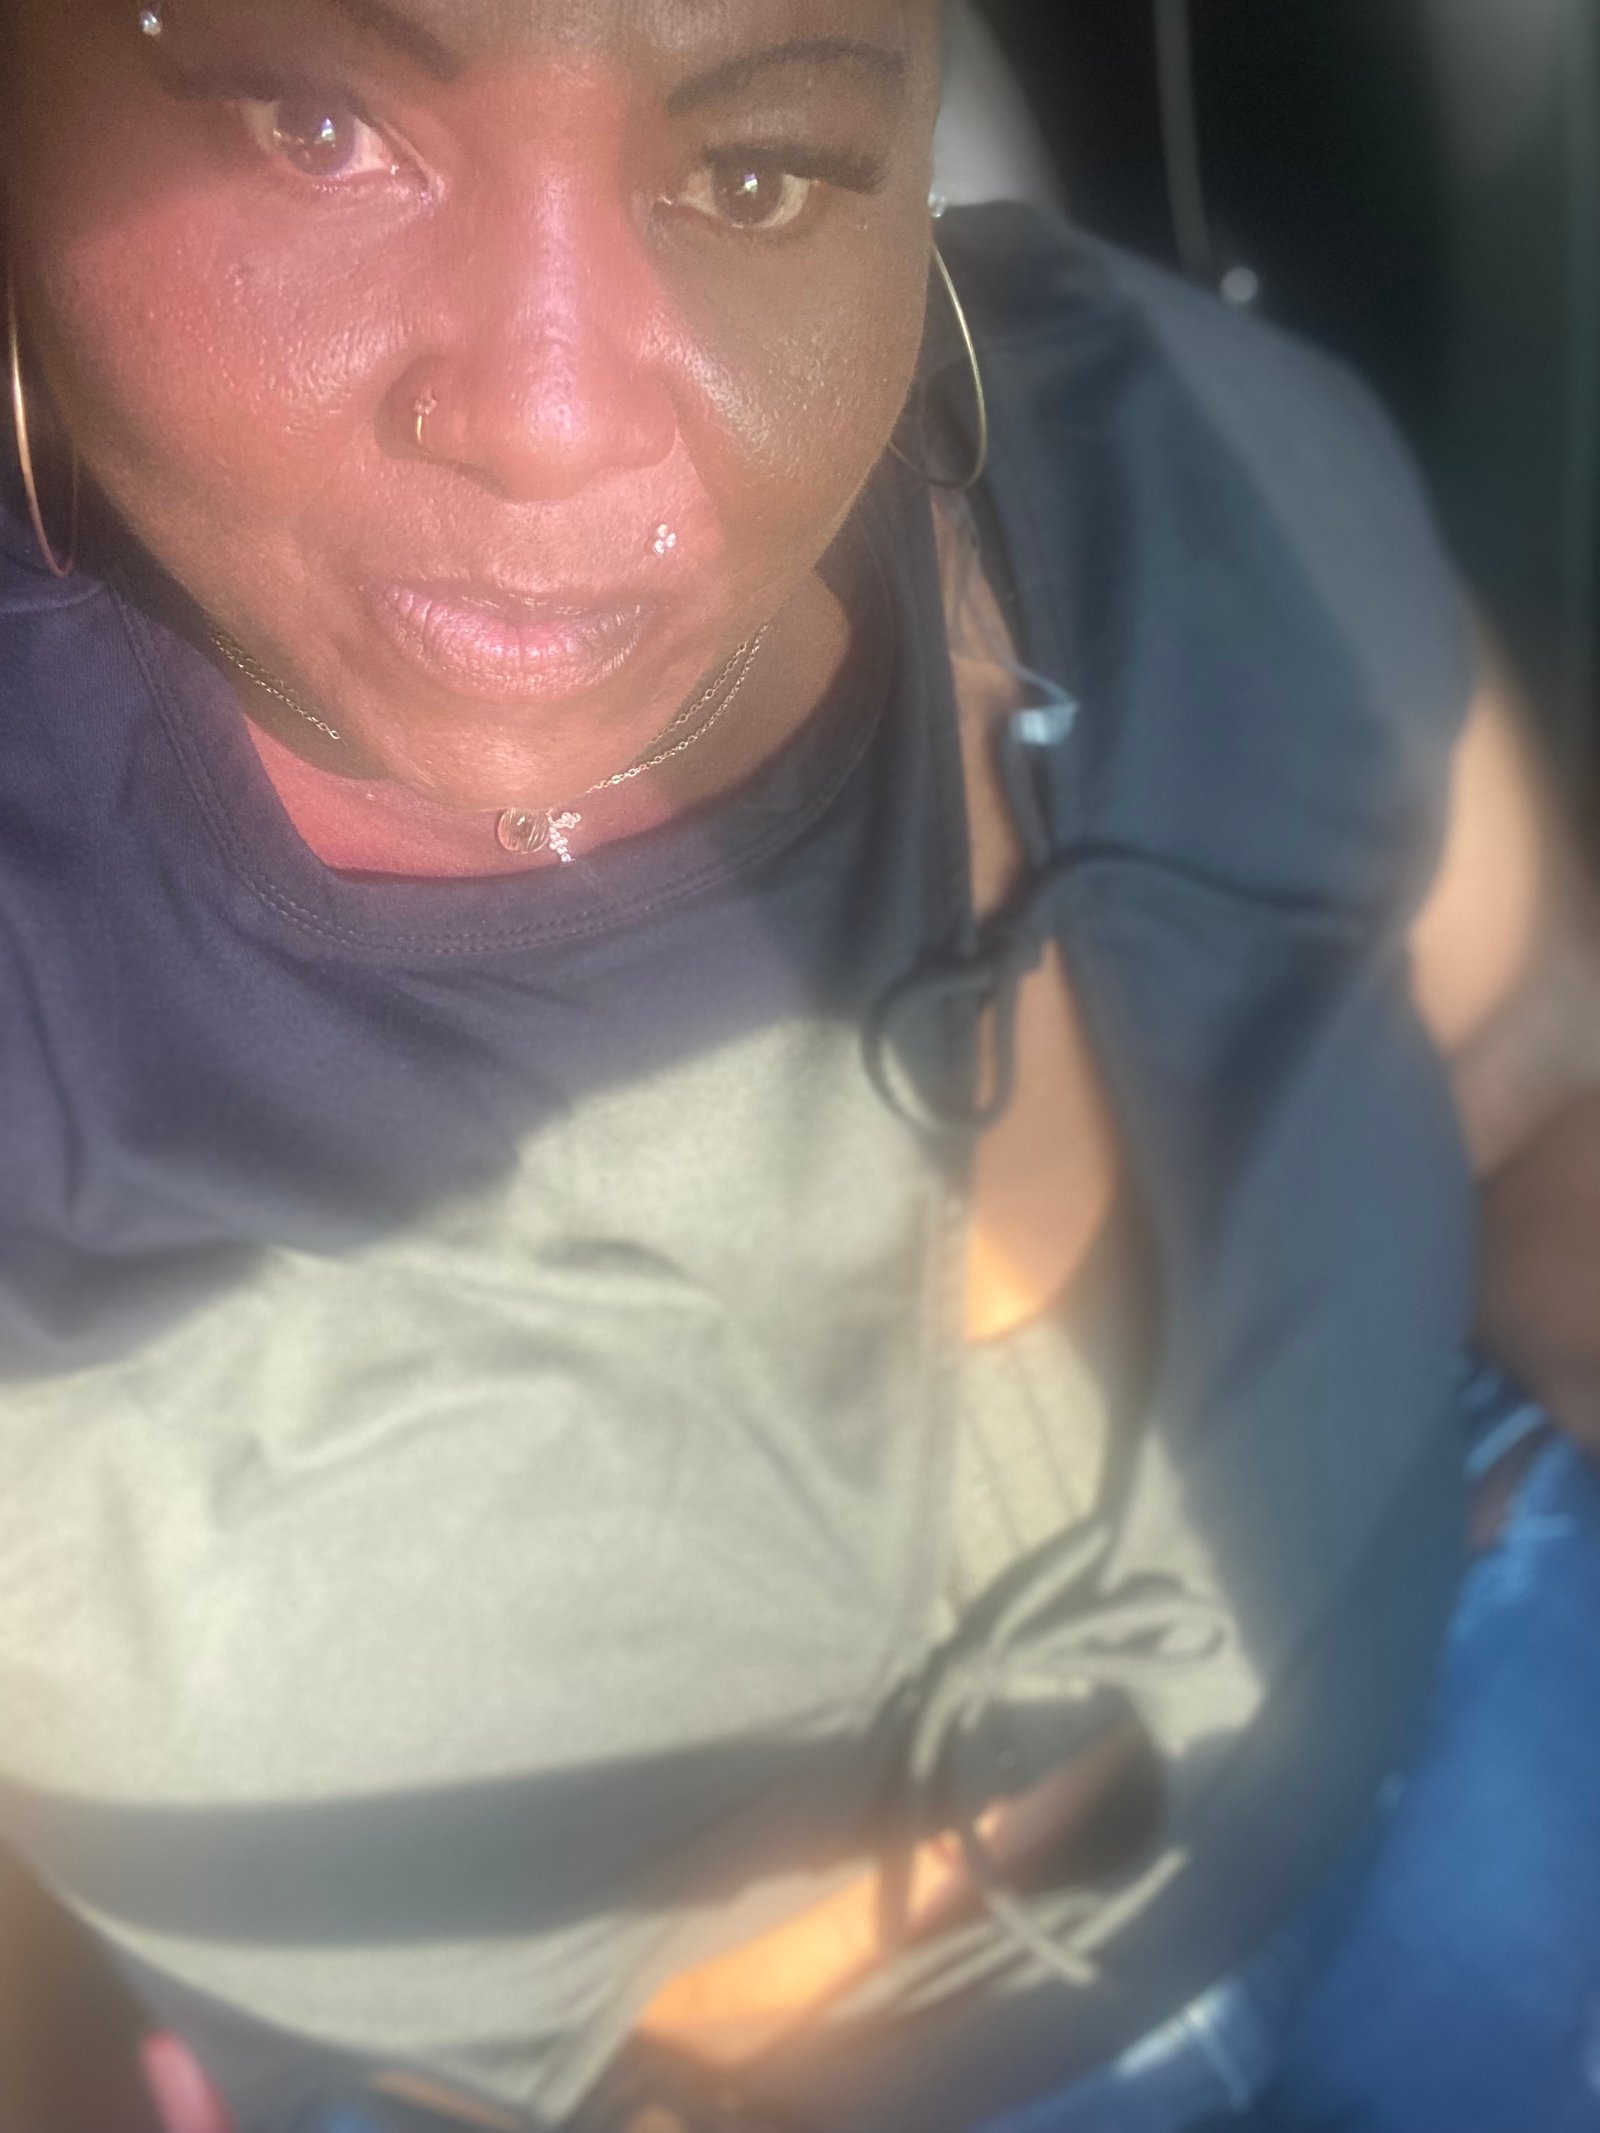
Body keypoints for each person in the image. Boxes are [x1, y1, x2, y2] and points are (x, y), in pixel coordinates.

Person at [1, 4, 1598, 2129]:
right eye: (314, 124)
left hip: (1460, 1652)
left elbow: (1521, 1051)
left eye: (754, 174)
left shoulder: (1153, 450)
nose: (551, 420)